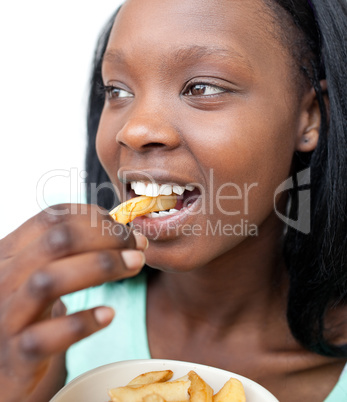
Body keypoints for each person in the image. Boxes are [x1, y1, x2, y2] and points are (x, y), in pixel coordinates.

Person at [1, 0, 346, 401]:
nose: (135, 129)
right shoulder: (59, 283)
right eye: (117, 90)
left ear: (309, 115)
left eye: (202, 87)